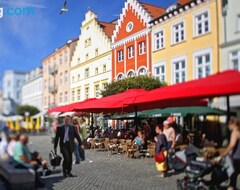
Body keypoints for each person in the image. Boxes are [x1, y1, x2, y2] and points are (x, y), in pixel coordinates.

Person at [222, 117, 240, 190]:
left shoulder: (234, 133)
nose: (228, 126)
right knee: (234, 177)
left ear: (233, 124)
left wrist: (224, 153)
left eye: (229, 124)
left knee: (232, 178)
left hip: (236, 158)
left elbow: (232, 145)